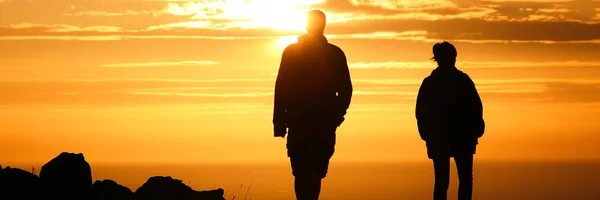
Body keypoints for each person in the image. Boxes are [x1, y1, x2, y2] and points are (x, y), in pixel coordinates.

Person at [272, 9, 353, 200]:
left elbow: (345, 89)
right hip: (304, 121)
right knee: (305, 171)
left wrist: (336, 116)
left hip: (316, 122)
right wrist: (278, 121)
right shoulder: (294, 52)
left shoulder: (333, 53)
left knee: (312, 171)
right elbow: (281, 86)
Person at [415, 41, 485, 200]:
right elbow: (476, 107)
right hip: (461, 137)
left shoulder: (430, 82)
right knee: (464, 179)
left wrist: (427, 134)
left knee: (442, 180)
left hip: (443, 138)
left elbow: (421, 112)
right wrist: (476, 129)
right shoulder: (462, 80)